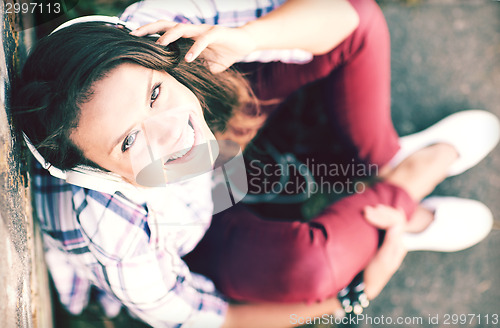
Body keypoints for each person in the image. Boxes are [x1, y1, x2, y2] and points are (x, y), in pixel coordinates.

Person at [12, 0, 499, 327]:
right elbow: (211, 319)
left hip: (222, 117)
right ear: (98, 174)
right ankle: (409, 184)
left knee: (358, 21)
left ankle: (390, 170)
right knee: (310, 270)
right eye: (128, 141)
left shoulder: (160, 28)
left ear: (152, 59)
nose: (172, 131)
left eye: (155, 92)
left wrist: (246, 38)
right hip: (194, 229)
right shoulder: (109, 230)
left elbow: (347, 18)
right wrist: (353, 295)